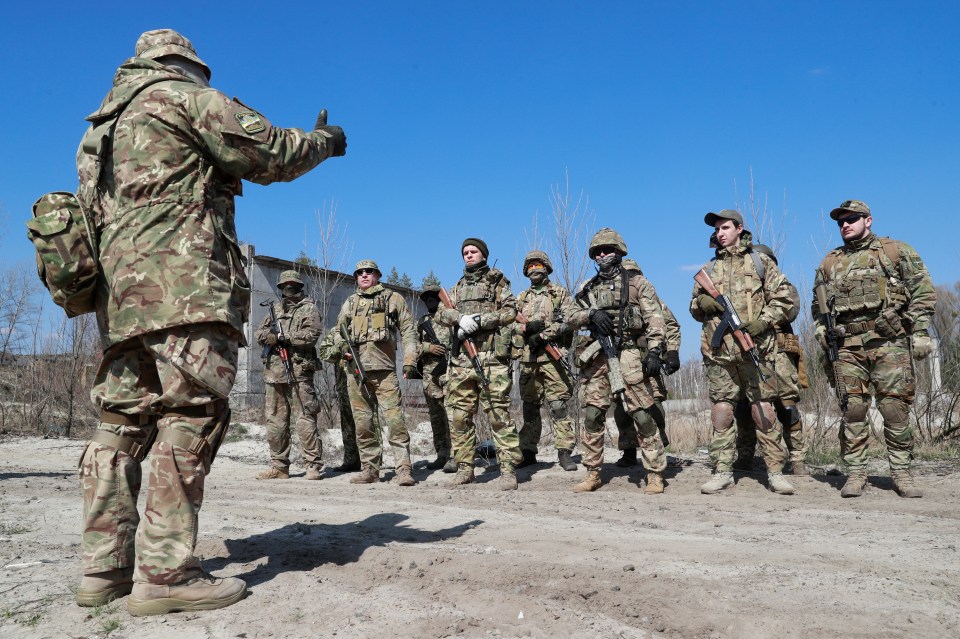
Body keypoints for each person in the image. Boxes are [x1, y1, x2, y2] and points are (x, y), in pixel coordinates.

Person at [74, 29, 346, 615]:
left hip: (120, 302)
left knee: (120, 426)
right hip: (186, 290)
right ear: (178, 63)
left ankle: (104, 569)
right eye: (202, 70)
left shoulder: (97, 133)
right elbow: (268, 149)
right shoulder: (179, 96)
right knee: (189, 416)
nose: (206, 79)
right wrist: (324, 141)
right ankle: (167, 576)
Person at [813, 200, 936, 498]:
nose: (845, 225)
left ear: (868, 220)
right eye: (840, 221)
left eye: (852, 219)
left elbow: (922, 291)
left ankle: (901, 473)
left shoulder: (895, 251)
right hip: (847, 346)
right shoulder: (830, 262)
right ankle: (856, 474)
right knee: (853, 408)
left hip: (889, 342)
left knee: (894, 408)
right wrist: (820, 327)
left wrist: (919, 330)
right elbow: (820, 305)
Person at [691, 211, 796, 496]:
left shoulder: (759, 263)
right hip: (719, 354)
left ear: (740, 229)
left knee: (762, 410)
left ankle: (775, 472)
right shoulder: (709, 268)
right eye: (717, 229)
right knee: (722, 411)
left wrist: (765, 321)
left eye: (726, 227)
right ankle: (722, 471)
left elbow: (785, 297)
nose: (720, 233)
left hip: (756, 350)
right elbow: (693, 308)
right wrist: (702, 301)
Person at [567, 229, 668, 494]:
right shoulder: (587, 288)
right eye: (597, 251)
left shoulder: (638, 283)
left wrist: (656, 351)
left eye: (607, 250)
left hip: (629, 355)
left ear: (619, 251)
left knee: (643, 416)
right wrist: (590, 313)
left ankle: (655, 474)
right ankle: (593, 473)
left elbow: (656, 319)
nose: (602, 255)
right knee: (592, 415)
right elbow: (567, 315)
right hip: (598, 358)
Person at [434, 238, 522, 490]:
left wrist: (481, 320)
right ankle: (465, 468)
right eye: (465, 252)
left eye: (473, 252)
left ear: (483, 255)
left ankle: (507, 470)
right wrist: (459, 318)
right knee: (460, 417)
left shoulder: (497, 281)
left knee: (498, 415)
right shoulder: (458, 286)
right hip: (461, 361)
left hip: (491, 358)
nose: (468, 256)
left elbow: (510, 311)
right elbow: (440, 313)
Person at [335, 260, 419, 486]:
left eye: (368, 272)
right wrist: (343, 347)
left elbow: (409, 331)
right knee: (363, 424)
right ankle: (370, 469)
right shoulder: (350, 303)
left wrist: (410, 360)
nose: (363, 275)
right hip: (356, 372)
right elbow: (337, 332)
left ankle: (403, 469)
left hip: (385, 372)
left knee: (395, 422)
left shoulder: (393, 299)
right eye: (359, 273)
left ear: (378, 275)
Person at [731, 244, 809, 476]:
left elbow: (791, 309)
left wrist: (764, 316)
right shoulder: (740, 286)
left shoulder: (781, 285)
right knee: (745, 406)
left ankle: (798, 459)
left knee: (787, 407)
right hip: (750, 350)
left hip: (779, 350)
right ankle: (745, 455)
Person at [254, 271, 324, 480]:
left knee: (305, 418)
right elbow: (259, 333)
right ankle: (279, 466)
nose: (289, 287)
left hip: (299, 372)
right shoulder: (274, 309)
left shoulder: (309, 308)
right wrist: (269, 337)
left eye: (293, 284)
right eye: (285, 284)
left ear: (300, 286)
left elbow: (311, 336)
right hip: (274, 373)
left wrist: (284, 337)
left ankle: (312, 465)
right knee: (275, 421)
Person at [513, 250, 578, 471]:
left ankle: (564, 451)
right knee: (530, 408)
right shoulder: (520, 299)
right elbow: (509, 324)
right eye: (530, 266)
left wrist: (544, 334)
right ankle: (528, 451)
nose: (534, 270)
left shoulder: (559, 293)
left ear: (546, 267)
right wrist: (525, 328)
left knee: (558, 405)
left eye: (538, 265)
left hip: (553, 357)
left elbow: (570, 320)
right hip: (529, 360)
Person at [612, 259, 680, 467]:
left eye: (634, 274)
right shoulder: (615, 301)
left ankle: (660, 450)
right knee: (621, 408)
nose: (630, 278)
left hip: (649, 359)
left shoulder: (654, 300)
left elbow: (672, 326)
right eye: (627, 274)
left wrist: (672, 353)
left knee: (654, 405)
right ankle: (629, 451)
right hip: (624, 360)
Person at [416, 285, 455, 472]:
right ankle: (441, 454)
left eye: (433, 296)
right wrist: (426, 348)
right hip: (430, 377)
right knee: (436, 418)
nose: (430, 300)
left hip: (451, 372)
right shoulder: (422, 321)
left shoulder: (450, 316)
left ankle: (457, 456)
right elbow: (411, 347)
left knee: (454, 416)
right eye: (426, 298)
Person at [317, 329, 362, 472]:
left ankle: (373, 460)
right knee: (347, 421)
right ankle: (351, 460)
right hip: (343, 384)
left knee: (368, 420)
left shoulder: (363, 326)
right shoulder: (336, 332)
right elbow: (323, 352)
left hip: (362, 381)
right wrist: (341, 349)